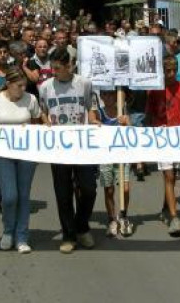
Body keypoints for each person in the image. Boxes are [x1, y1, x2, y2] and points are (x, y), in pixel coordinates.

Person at [40, 47, 97, 254]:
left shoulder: (84, 84)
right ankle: (68, 235)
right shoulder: (46, 87)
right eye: (52, 68)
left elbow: (91, 108)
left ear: (69, 66)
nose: (54, 71)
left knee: (89, 189)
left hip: (82, 146)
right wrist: (45, 123)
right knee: (63, 193)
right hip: (58, 148)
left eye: (58, 68)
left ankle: (81, 225)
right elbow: (43, 112)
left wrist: (94, 120)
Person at [0, 67, 43, 253]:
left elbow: (36, 124)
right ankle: (8, 231)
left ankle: (22, 236)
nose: (22, 89)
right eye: (19, 85)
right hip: (3, 155)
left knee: (24, 195)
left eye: (25, 85)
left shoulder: (31, 99)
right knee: (10, 196)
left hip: (27, 155)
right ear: (9, 85)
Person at [146, 54, 180, 237]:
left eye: (174, 70)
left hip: (179, 137)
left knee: (175, 176)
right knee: (169, 176)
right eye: (168, 71)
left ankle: (166, 208)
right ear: (162, 71)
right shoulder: (154, 89)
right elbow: (150, 115)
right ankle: (174, 218)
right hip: (162, 138)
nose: (171, 73)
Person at [92, 89, 134, 238]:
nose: (109, 97)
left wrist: (127, 123)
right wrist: (97, 125)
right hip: (106, 157)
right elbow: (93, 126)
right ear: (102, 96)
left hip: (122, 156)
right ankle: (111, 219)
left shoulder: (122, 112)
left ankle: (123, 215)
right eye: (106, 94)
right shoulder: (100, 113)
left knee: (125, 188)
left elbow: (132, 133)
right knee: (109, 189)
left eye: (112, 94)